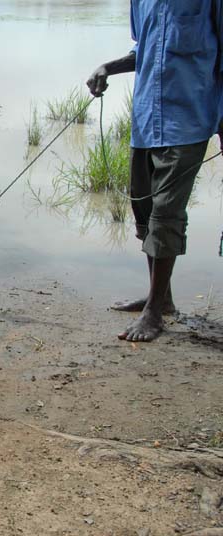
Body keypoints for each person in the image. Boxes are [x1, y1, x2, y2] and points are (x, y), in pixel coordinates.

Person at [86, 1, 223, 342]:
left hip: (189, 118)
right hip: (146, 119)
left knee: (166, 212)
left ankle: (154, 313)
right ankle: (162, 298)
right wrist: (108, 66)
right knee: (144, 210)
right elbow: (145, 48)